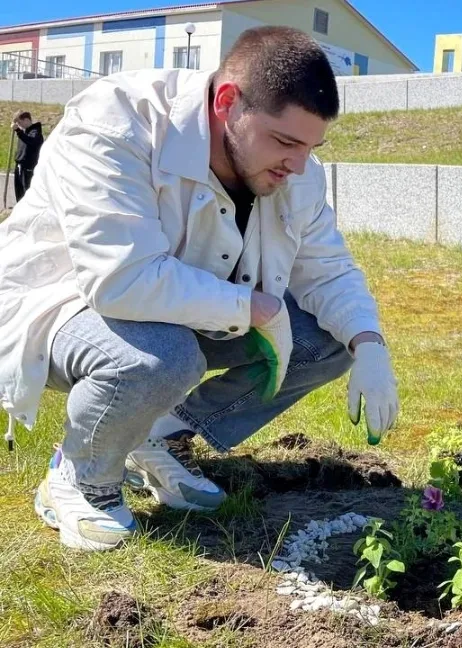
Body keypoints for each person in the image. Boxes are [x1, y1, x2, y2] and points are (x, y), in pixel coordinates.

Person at [0, 26, 400, 553]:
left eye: (311, 146)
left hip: (179, 311)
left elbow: (327, 268)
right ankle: (80, 476)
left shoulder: (295, 171)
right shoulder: (118, 123)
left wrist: (369, 344)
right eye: (285, 141)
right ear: (227, 102)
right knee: (164, 358)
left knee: (326, 340)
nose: (298, 165)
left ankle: (160, 435)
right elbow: (119, 278)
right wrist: (253, 307)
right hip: (66, 307)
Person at [10, 110, 44, 202]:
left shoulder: (36, 131)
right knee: (19, 190)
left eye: (20, 123)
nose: (19, 126)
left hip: (28, 167)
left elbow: (31, 141)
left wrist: (18, 131)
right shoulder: (24, 132)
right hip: (20, 165)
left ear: (26, 120)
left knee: (27, 191)